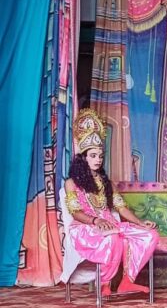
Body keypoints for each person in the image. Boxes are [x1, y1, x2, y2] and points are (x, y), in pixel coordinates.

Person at [63, 109, 159, 297]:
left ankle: (127, 281)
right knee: (113, 237)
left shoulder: (107, 183)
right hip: (85, 228)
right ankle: (105, 283)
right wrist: (96, 221)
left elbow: (121, 208)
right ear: (83, 157)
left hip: (111, 225)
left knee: (150, 235)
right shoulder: (71, 183)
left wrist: (140, 223)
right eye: (93, 155)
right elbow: (75, 213)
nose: (98, 160)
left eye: (100, 156)